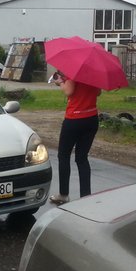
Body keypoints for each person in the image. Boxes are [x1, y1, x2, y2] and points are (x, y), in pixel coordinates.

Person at [49, 70, 101, 204]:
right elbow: (98, 92)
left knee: (64, 155)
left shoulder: (75, 71)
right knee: (82, 158)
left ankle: (64, 194)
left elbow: (69, 91)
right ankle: (85, 196)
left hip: (75, 118)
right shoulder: (94, 73)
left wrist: (60, 82)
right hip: (91, 118)